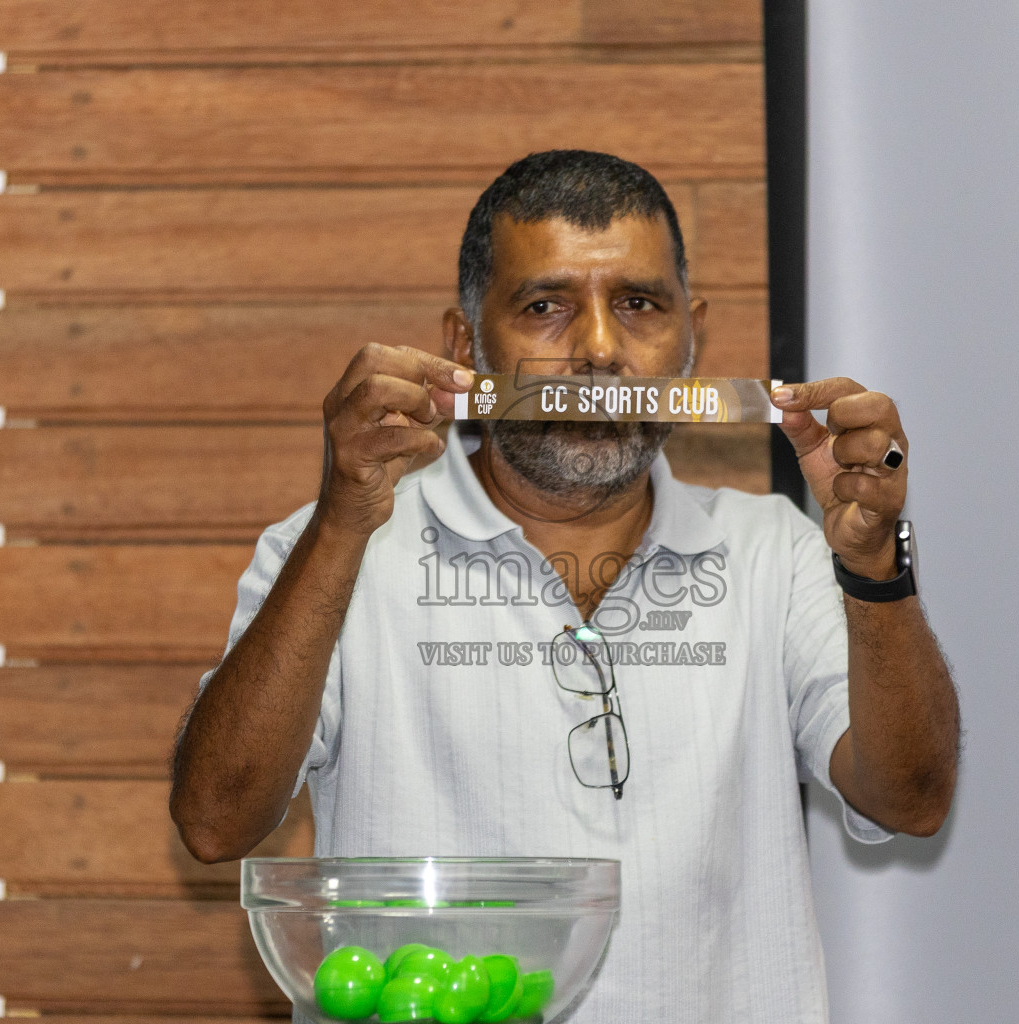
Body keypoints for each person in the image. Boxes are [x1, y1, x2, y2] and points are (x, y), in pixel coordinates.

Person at [170, 150, 959, 1022]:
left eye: (638, 306)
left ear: (691, 337)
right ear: (465, 346)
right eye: (545, 307)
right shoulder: (335, 550)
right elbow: (215, 823)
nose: (597, 350)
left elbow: (911, 799)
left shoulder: (777, 552)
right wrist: (344, 521)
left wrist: (874, 568)